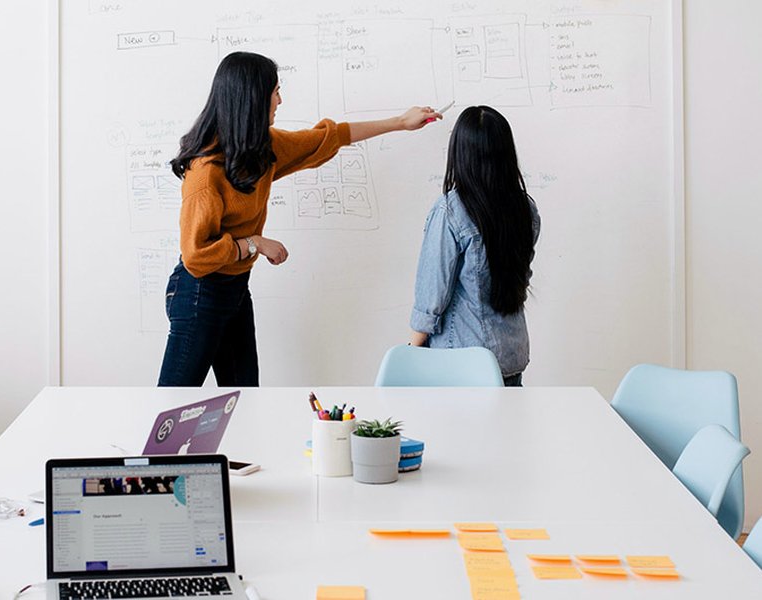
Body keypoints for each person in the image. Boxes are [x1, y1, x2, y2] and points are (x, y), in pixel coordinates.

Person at [158, 51, 441, 386]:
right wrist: (254, 243)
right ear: (252, 98)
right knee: (175, 402)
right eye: (274, 91)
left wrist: (400, 122)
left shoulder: (260, 149)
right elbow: (196, 256)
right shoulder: (205, 174)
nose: (280, 100)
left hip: (234, 289)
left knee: (245, 398)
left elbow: (329, 137)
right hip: (198, 293)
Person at [409, 105, 540, 386]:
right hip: (510, 357)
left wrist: (411, 351)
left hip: (461, 361)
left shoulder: (451, 211)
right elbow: (520, 278)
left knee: (453, 432)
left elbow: (432, 296)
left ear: (460, 152)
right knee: (504, 430)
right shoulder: (524, 209)